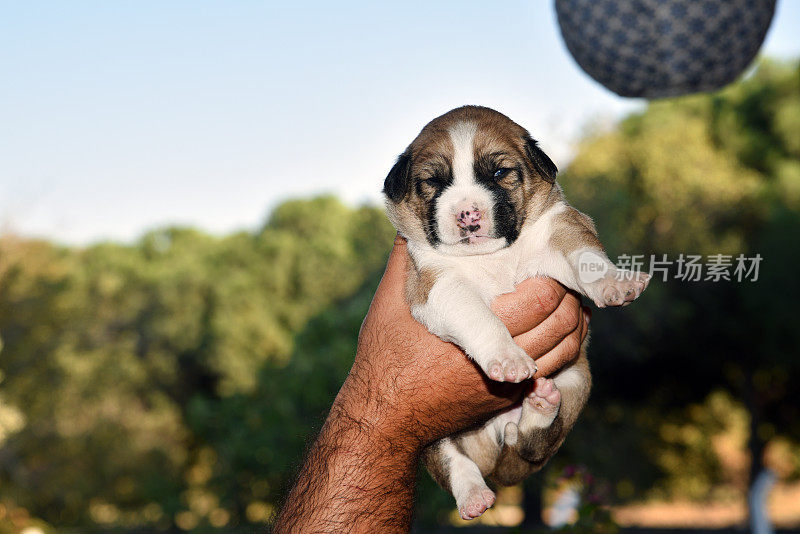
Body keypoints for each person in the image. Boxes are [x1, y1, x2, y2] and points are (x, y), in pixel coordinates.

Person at [272, 235, 589, 532]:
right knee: (444, 442)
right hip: (478, 436)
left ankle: (531, 427)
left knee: (567, 386)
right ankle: (463, 476)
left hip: (524, 410)